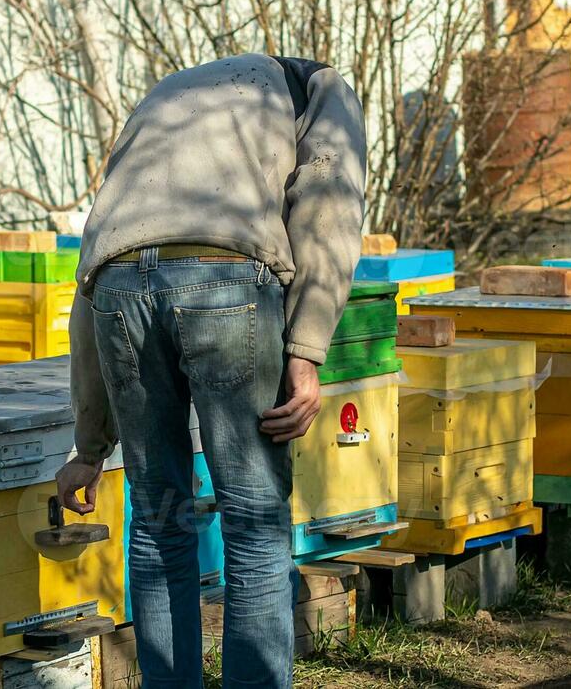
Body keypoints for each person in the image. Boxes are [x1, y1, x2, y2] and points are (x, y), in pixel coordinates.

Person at [55, 54, 367, 689]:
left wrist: (89, 447)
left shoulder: (166, 97)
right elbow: (326, 214)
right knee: (252, 521)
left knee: (157, 516)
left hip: (117, 290)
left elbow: (95, 271)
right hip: (224, 278)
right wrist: (306, 353)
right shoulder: (321, 89)